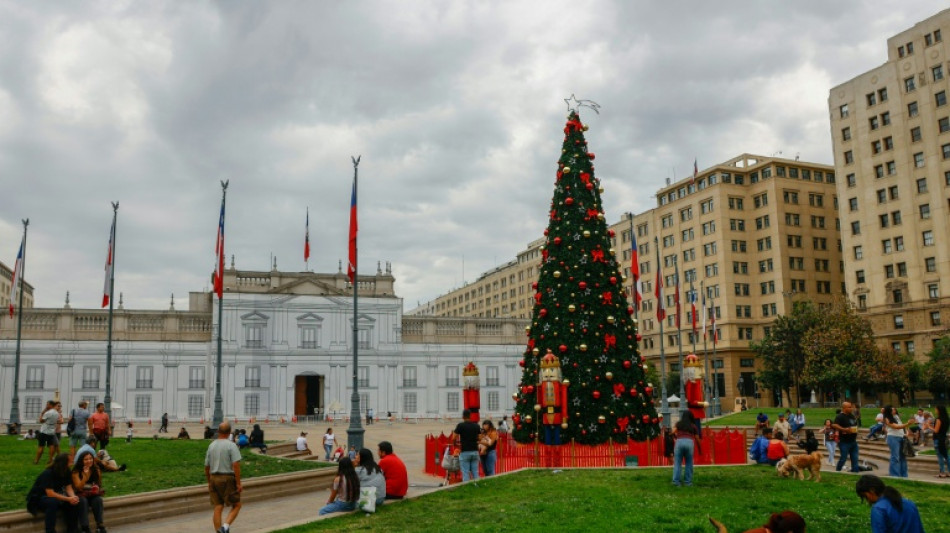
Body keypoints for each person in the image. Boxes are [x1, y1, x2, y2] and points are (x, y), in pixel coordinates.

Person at [26, 453, 82, 533]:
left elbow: (68, 488)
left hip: (56, 495)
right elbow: (50, 493)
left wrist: (73, 497)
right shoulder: (48, 473)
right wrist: (68, 499)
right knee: (52, 502)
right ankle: (50, 530)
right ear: (63, 463)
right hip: (39, 498)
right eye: (70, 462)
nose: (71, 463)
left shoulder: (67, 471)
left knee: (74, 502)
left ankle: (73, 529)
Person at [205, 422, 242, 533]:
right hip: (227, 478)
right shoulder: (231, 445)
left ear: (218, 431)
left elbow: (206, 467)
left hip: (213, 478)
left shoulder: (211, 445)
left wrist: (209, 481)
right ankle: (225, 527)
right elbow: (236, 465)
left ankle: (218, 531)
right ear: (229, 432)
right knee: (237, 504)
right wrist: (238, 483)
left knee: (218, 506)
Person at [855, 474, 924, 533]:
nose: (867, 501)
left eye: (865, 496)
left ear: (872, 490)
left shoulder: (879, 509)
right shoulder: (910, 504)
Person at [71, 450, 107, 533]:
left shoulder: (96, 469)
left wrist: (97, 488)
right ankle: (85, 527)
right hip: (80, 493)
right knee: (83, 501)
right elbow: (79, 488)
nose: (89, 461)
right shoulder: (76, 471)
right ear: (81, 461)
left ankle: (100, 525)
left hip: (91, 493)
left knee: (98, 500)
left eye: (91, 458)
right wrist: (85, 477)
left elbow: (99, 484)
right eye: (86, 459)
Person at [452, 409, 481, 482]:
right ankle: (477, 486)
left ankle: (467, 487)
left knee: (465, 473)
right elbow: (480, 438)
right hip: (475, 451)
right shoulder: (476, 426)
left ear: (463, 417)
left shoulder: (460, 426)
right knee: (475, 472)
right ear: (470, 416)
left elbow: (453, 437)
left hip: (465, 451)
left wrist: (455, 443)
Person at [882, 405, 911, 478]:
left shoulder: (896, 417)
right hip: (893, 437)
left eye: (894, 409)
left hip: (901, 437)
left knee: (902, 457)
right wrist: (908, 424)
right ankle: (894, 475)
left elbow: (901, 427)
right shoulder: (886, 418)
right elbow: (896, 427)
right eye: (892, 410)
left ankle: (904, 475)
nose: (894, 411)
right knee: (895, 457)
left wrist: (905, 433)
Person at [672, 411, 699, 486]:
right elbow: (697, 438)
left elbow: (673, 432)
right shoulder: (693, 426)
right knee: (689, 463)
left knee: (677, 463)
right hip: (689, 442)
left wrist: (675, 436)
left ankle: (676, 482)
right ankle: (688, 482)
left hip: (679, 442)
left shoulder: (679, 424)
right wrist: (700, 449)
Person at [833, 401, 860, 472]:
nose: (851, 408)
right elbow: (834, 425)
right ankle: (837, 471)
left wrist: (856, 429)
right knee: (843, 458)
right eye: (849, 407)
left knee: (855, 458)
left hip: (853, 441)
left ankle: (855, 472)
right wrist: (844, 429)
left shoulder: (851, 416)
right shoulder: (840, 416)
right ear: (844, 408)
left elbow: (854, 424)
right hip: (844, 442)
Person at [35, 400, 60, 465]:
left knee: (41, 446)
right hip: (51, 431)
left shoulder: (48, 413)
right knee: (51, 446)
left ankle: (37, 460)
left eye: (48, 404)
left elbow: (41, 420)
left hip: (44, 430)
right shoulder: (57, 413)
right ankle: (51, 459)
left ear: (51, 405)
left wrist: (42, 413)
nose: (46, 406)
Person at [933, 404, 949, 478]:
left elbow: (936, 430)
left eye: (936, 409)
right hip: (944, 438)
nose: (935, 410)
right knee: (946, 456)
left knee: (940, 457)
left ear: (939, 410)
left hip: (938, 440)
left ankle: (942, 472)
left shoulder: (938, 419)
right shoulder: (946, 418)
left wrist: (928, 426)